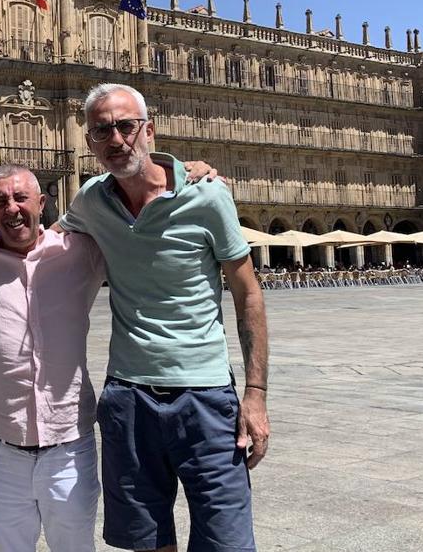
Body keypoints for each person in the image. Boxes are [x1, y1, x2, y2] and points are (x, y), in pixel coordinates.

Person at [58, 83, 269, 552]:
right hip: (128, 397)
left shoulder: (207, 196)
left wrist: (255, 395)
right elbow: (37, 237)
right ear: (90, 142)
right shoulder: (92, 200)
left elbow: (248, 294)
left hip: (207, 397)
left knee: (226, 541)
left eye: (125, 126)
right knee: (147, 542)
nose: (115, 139)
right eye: (101, 131)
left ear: (148, 130)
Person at [0, 164, 106, 551]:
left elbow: (137, 219)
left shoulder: (81, 251)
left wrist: (185, 175)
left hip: (70, 444)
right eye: (1, 201)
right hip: (1, 446)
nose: (12, 208)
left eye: (21, 198)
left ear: (43, 203)